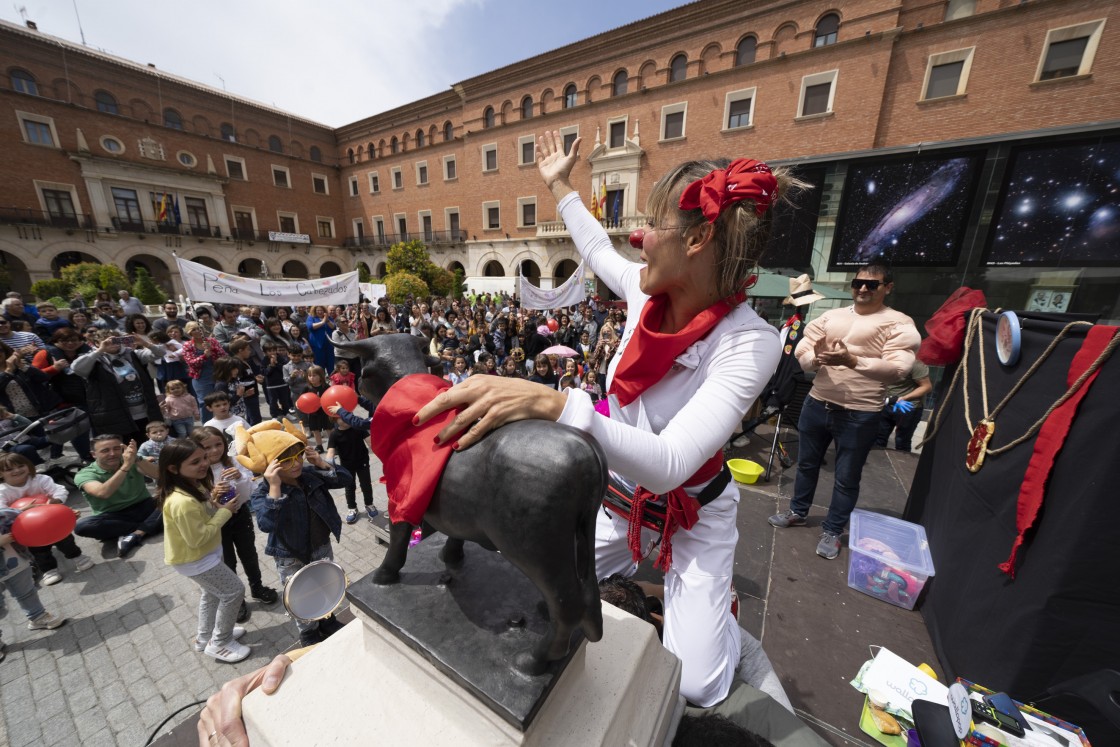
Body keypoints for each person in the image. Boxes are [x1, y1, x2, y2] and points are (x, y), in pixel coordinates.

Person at [414, 133, 784, 707]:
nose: (639, 238)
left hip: (695, 517)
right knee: (532, 596)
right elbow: (596, 247)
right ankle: (664, 602)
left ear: (698, 238)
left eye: (654, 224)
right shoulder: (642, 293)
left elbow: (670, 466)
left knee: (698, 686)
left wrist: (551, 403)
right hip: (617, 504)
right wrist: (559, 183)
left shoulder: (751, 342)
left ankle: (718, 621)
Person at [768, 259, 921, 560]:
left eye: (872, 284)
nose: (863, 288)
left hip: (860, 412)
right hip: (817, 402)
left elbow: (899, 370)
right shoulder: (831, 316)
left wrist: (853, 362)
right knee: (807, 465)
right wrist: (818, 358)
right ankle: (798, 510)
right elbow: (803, 353)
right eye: (858, 283)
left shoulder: (899, 323)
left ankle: (833, 529)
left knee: (846, 477)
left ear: (887, 288)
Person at [157, 438, 250, 663]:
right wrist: (225, 512)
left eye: (204, 459)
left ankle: (205, 637)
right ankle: (220, 643)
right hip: (196, 559)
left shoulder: (192, 484)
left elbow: (203, 515)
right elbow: (197, 539)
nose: (203, 464)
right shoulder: (181, 501)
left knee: (213, 594)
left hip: (202, 556)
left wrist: (215, 503)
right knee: (233, 591)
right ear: (173, 468)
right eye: (195, 461)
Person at [251, 440, 351, 646]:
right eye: (286, 461)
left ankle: (326, 620)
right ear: (270, 466)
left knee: (325, 585)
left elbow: (346, 479)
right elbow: (266, 524)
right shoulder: (263, 492)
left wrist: (322, 464)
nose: (296, 464)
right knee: (300, 595)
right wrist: (275, 487)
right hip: (290, 554)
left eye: (298, 456)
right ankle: (308, 633)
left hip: (320, 545)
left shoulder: (310, 475)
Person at [191, 427, 279, 616]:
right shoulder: (197, 471)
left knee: (249, 554)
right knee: (227, 561)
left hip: (240, 515)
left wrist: (240, 478)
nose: (215, 451)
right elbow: (196, 504)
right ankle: (236, 598)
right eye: (207, 447)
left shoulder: (232, 462)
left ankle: (257, 587)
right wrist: (212, 495)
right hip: (216, 522)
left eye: (218, 444)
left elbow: (251, 491)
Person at [0, 452, 94, 585]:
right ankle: (49, 570)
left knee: (65, 540)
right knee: (38, 550)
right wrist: (20, 511)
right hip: (27, 528)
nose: (17, 470)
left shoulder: (40, 479)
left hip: (51, 520)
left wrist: (56, 500)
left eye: (21, 466)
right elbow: (2, 512)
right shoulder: (2, 491)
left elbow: (60, 490)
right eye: (9, 469)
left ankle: (78, 557)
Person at [74, 434, 162, 558]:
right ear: (94, 454)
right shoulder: (85, 474)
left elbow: (159, 475)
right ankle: (154, 524)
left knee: (174, 494)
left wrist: (136, 458)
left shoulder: (132, 459)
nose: (112, 453)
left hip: (144, 506)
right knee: (81, 526)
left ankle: (136, 534)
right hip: (114, 516)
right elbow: (103, 493)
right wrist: (125, 466)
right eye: (105, 450)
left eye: (116, 448)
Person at [70, 329, 163, 445]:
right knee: (124, 448)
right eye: (107, 341)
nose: (113, 344)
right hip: (115, 416)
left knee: (147, 446)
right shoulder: (94, 359)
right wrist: (100, 351)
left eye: (116, 340)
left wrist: (144, 342)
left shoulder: (132, 354)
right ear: (97, 343)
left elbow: (160, 352)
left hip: (144, 412)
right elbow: (77, 368)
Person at [325, 404, 378, 524]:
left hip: (363, 462)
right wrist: (328, 463)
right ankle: (352, 508)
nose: (345, 420)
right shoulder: (334, 434)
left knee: (366, 485)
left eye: (347, 416)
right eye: (341, 418)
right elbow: (330, 451)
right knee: (349, 487)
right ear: (334, 420)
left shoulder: (358, 428)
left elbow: (370, 442)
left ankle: (369, 504)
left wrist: (379, 451)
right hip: (346, 466)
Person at [875, 360, 931, 452]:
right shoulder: (886, 360)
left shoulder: (915, 364)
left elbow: (927, 387)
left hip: (907, 407)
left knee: (902, 442)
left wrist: (904, 398)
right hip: (887, 404)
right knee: (878, 438)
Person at [181, 322, 225, 420]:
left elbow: (223, 356)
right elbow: (191, 363)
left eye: (199, 328)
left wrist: (212, 349)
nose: (197, 331)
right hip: (201, 378)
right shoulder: (187, 345)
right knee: (205, 403)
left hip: (218, 375)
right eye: (194, 329)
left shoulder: (212, 341)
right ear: (189, 332)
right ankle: (207, 426)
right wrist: (204, 356)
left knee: (222, 400)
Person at [301, 367, 330, 451]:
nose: (311, 378)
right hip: (313, 413)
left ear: (321, 376)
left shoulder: (326, 386)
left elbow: (331, 396)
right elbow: (301, 399)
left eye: (314, 375)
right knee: (315, 430)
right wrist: (298, 404)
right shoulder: (307, 388)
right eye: (309, 376)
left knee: (329, 429)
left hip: (325, 412)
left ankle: (333, 446)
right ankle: (319, 446)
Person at [305, 305, 335, 371]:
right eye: (318, 310)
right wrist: (322, 322)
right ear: (315, 311)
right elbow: (310, 326)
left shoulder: (328, 318)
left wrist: (327, 320)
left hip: (329, 346)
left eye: (321, 310)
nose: (320, 312)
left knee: (331, 365)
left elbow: (333, 327)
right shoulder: (311, 318)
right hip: (317, 346)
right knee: (319, 366)